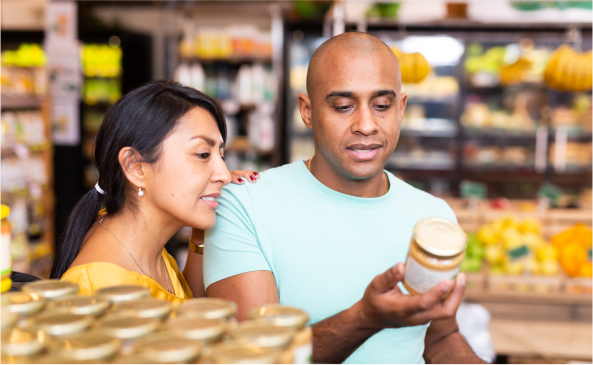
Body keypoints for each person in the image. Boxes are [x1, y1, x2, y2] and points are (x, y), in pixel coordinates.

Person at [184, 33, 487, 364]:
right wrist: (365, 319)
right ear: (307, 111)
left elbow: (440, 336)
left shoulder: (434, 219)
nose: (367, 125)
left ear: (401, 108)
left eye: (382, 105)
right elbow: (259, 356)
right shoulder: (244, 205)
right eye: (343, 106)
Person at [51, 80, 256, 303]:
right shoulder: (99, 289)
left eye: (221, 155)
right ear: (135, 168)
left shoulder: (140, 242)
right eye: (203, 154)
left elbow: (188, 306)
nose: (224, 175)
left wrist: (201, 229)